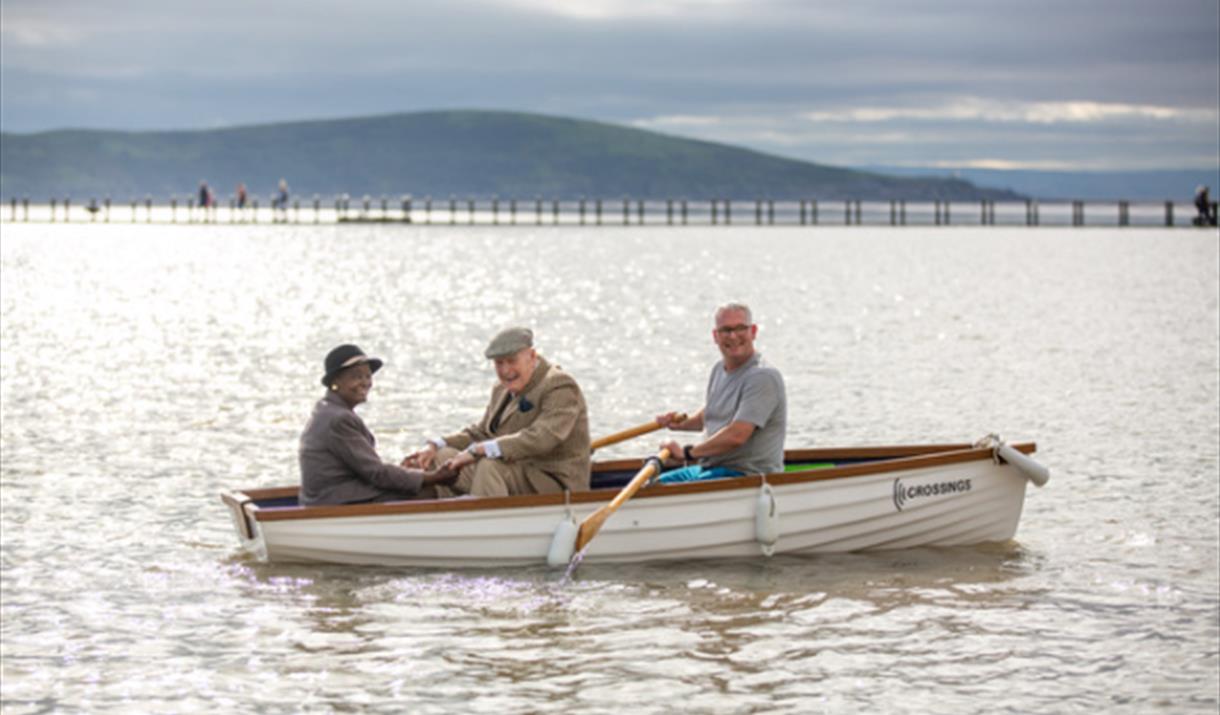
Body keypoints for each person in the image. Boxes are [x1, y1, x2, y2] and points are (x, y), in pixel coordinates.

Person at [403, 327, 591, 498]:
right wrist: (435, 445)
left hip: (554, 482)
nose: (506, 370)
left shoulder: (559, 385)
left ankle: (484, 526)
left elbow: (542, 437)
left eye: (511, 361)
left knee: (489, 466)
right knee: (443, 457)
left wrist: (480, 450)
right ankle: (445, 517)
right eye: (499, 363)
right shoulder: (501, 388)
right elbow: (482, 433)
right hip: (515, 470)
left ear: (532, 357)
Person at [299, 344, 455, 506]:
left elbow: (367, 468)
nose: (365, 383)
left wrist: (407, 472)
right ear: (335, 381)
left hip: (328, 496)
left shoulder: (326, 409)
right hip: (335, 502)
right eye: (356, 376)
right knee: (430, 492)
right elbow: (376, 473)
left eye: (367, 376)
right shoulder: (339, 419)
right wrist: (433, 476)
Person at [655, 302, 787, 483]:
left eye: (740, 328)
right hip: (710, 467)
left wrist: (687, 453)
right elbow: (711, 414)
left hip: (746, 474)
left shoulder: (762, 377)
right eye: (725, 330)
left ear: (753, 331)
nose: (733, 336)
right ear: (715, 336)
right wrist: (680, 424)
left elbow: (736, 436)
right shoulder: (719, 369)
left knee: (664, 492)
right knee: (654, 484)